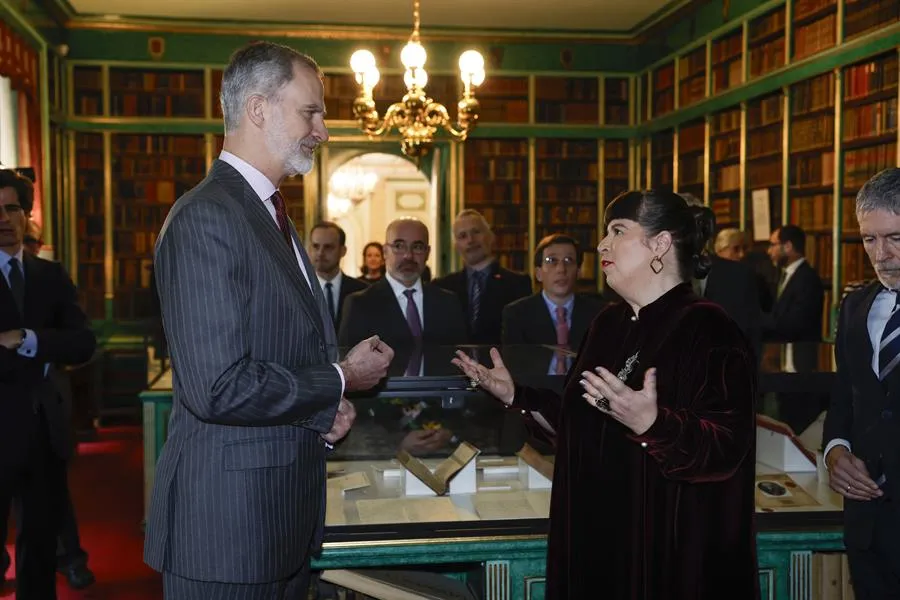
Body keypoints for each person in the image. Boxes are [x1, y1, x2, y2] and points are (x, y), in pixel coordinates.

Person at [143, 41, 393, 600]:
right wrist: (340, 379)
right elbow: (217, 387)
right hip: (226, 535)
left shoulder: (268, 212)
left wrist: (318, 416)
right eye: (311, 111)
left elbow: (275, 360)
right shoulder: (208, 216)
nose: (322, 130)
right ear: (258, 109)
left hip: (275, 524)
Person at [453, 190, 759, 599]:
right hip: (597, 546)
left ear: (661, 244)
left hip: (664, 559)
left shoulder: (708, 328)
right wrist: (518, 396)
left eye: (617, 231)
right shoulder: (609, 322)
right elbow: (579, 425)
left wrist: (654, 424)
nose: (601, 244)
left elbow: (727, 449)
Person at [0, 168, 97, 599]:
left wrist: (29, 340)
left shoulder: (49, 275)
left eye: (11, 208)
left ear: (26, 215)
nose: (3, 218)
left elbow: (83, 343)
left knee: (39, 552)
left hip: (43, 433)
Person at [823, 167, 900, 599]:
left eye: (895, 238)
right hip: (867, 528)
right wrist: (837, 451)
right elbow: (843, 398)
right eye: (869, 239)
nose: (881, 254)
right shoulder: (854, 307)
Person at [434, 209, 532, 345]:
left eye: (476, 232)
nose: (470, 240)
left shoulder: (518, 283)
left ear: (490, 236)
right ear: (456, 246)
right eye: (462, 236)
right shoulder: (441, 287)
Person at [308, 221, 367, 327]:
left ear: (343, 251)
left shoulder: (363, 291)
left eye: (328, 247)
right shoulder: (299, 290)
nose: (320, 253)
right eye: (316, 246)